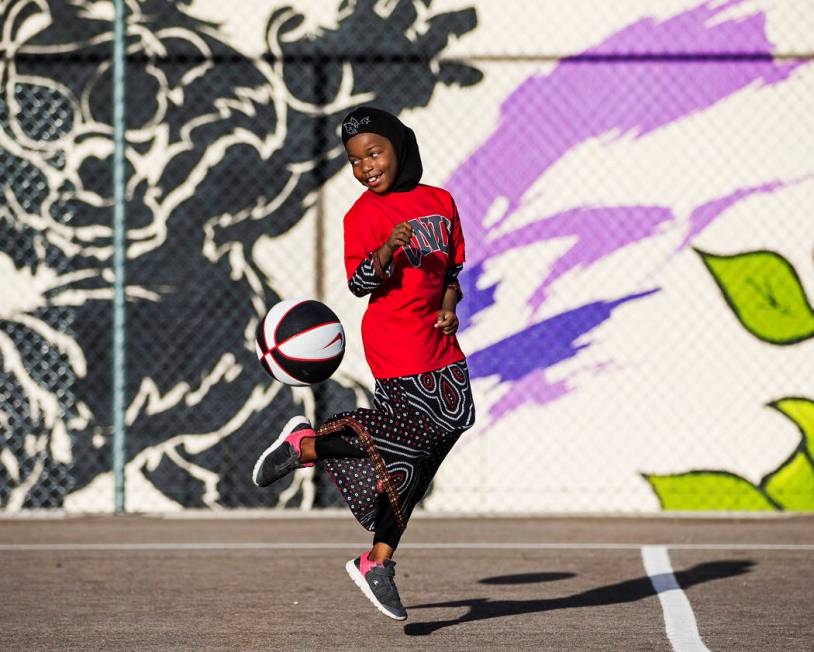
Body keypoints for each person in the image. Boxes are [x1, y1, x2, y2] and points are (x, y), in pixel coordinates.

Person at [252, 107, 475, 621]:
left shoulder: (440, 202)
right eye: (355, 161)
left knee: (429, 447)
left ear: (399, 147)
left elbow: (452, 273)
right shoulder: (362, 216)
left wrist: (448, 307)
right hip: (396, 344)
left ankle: (375, 561)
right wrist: (385, 253)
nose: (365, 167)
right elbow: (358, 284)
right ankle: (308, 446)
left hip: (439, 342)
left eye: (374, 154)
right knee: (414, 439)